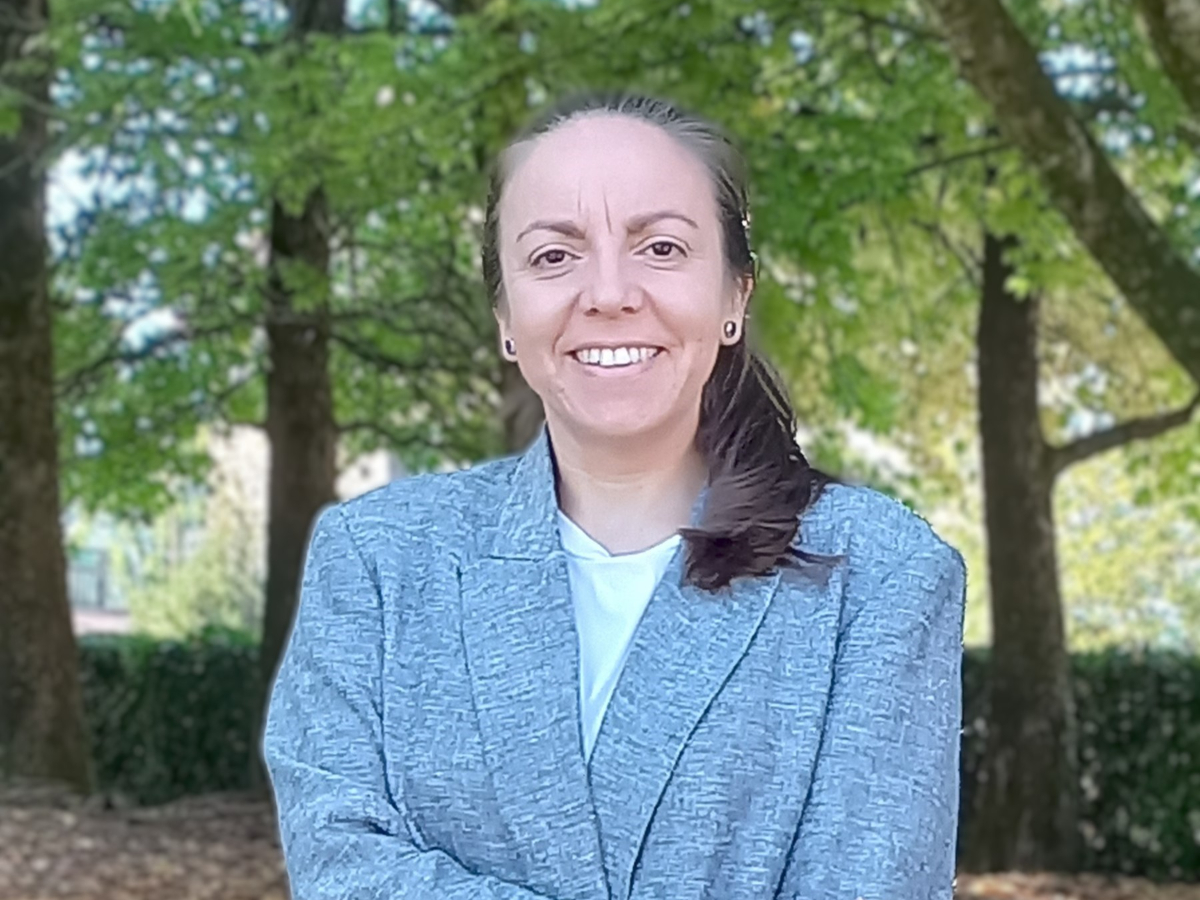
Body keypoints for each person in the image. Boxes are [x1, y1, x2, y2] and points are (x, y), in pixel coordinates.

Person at [262, 92, 968, 900]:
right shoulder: (378, 561)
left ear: (736, 294)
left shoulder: (881, 576)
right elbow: (341, 862)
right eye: (554, 257)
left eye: (661, 247)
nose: (608, 293)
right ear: (504, 311)